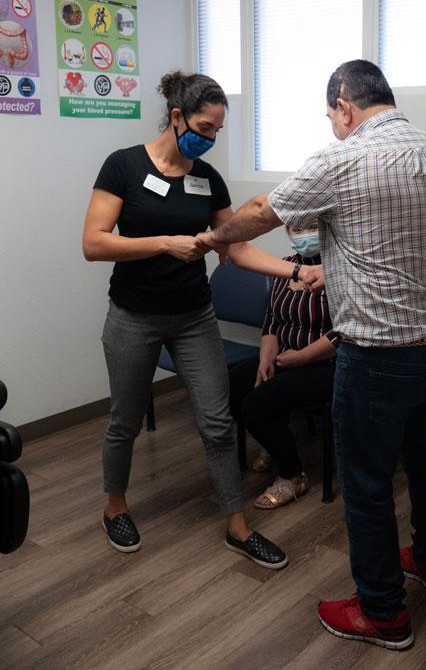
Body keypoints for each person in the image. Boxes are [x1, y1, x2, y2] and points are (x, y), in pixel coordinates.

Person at [195, 60, 426, 650]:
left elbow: (263, 212)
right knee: (425, 463)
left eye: (331, 115)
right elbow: (399, 247)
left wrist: (214, 238)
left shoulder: (341, 157)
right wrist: (338, 272)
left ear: (343, 104)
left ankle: (383, 613)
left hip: (378, 355)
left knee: (367, 483)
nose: (333, 125)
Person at [82, 71, 316, 568]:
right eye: (205, 127)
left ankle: (236, 524)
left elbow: (236, 246)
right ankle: (115, 506)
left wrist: (297, 269)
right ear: (176, 116)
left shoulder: (206, 180)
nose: (209, 139)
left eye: (216, 132)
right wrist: (164, 244)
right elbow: (94, 242)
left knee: (215, 424)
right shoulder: (122, 166)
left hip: (193, 318)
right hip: (133, 317)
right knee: (123, 422)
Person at [229, 222, 337, 509]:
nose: (304, 235)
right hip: (286, 357)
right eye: (296, 228)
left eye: (312, 227)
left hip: (329, 366)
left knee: (257, 404)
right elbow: (272, 320)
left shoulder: (340, 268)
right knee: (232, 384)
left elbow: (348, 331)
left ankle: (293, 476)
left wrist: (304, 357)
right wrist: (266, 355)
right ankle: (274, 440)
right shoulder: (285, 266)